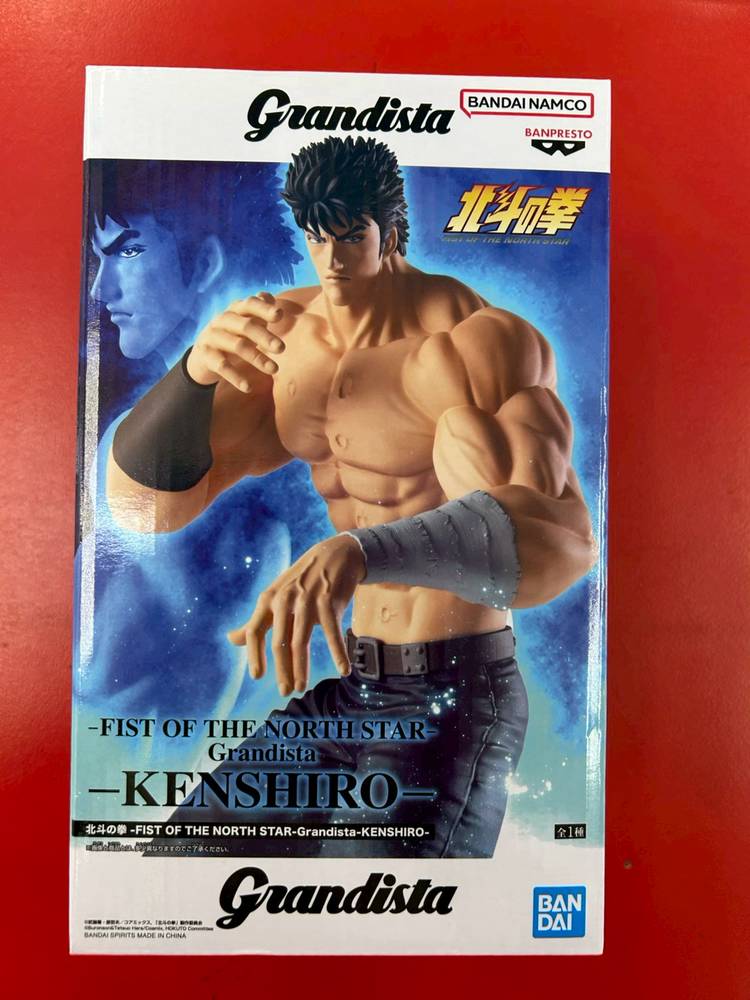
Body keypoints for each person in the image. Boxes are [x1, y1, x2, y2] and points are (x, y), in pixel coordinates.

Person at [107, 137, 596, 858]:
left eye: (350, 237)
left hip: (453, 695)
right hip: (354, 690)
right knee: (179, 866)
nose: (332, 261)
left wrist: (361, 551)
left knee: (375, 909)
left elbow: (558, 544)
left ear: (390, 234)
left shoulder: (473, 344)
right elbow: (142, 509)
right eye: (316, 237)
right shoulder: (285, 342)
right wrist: (193, 376)